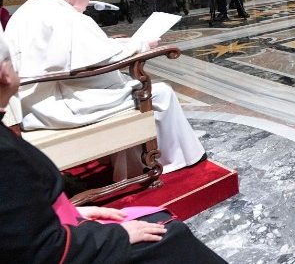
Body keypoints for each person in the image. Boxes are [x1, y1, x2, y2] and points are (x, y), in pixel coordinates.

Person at [0, 33, 226, 263]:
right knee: (171, 234)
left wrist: (72, 212)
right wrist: (116, 235)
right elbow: (42, 250)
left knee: (159, 223)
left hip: (43, 106)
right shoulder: (5, 154)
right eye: (9, 62)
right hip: (65, 107)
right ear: (4, 75)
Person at [4, 0, 205, 177]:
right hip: (61, 106)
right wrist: (143, 45)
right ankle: (174, 159)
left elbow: (77, 51)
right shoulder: (70, 17)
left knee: (121, 84)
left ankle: (133, 162)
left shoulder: (29, 9)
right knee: (159, 92)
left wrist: (120, 42)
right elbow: (101, 60)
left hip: (31, 102)